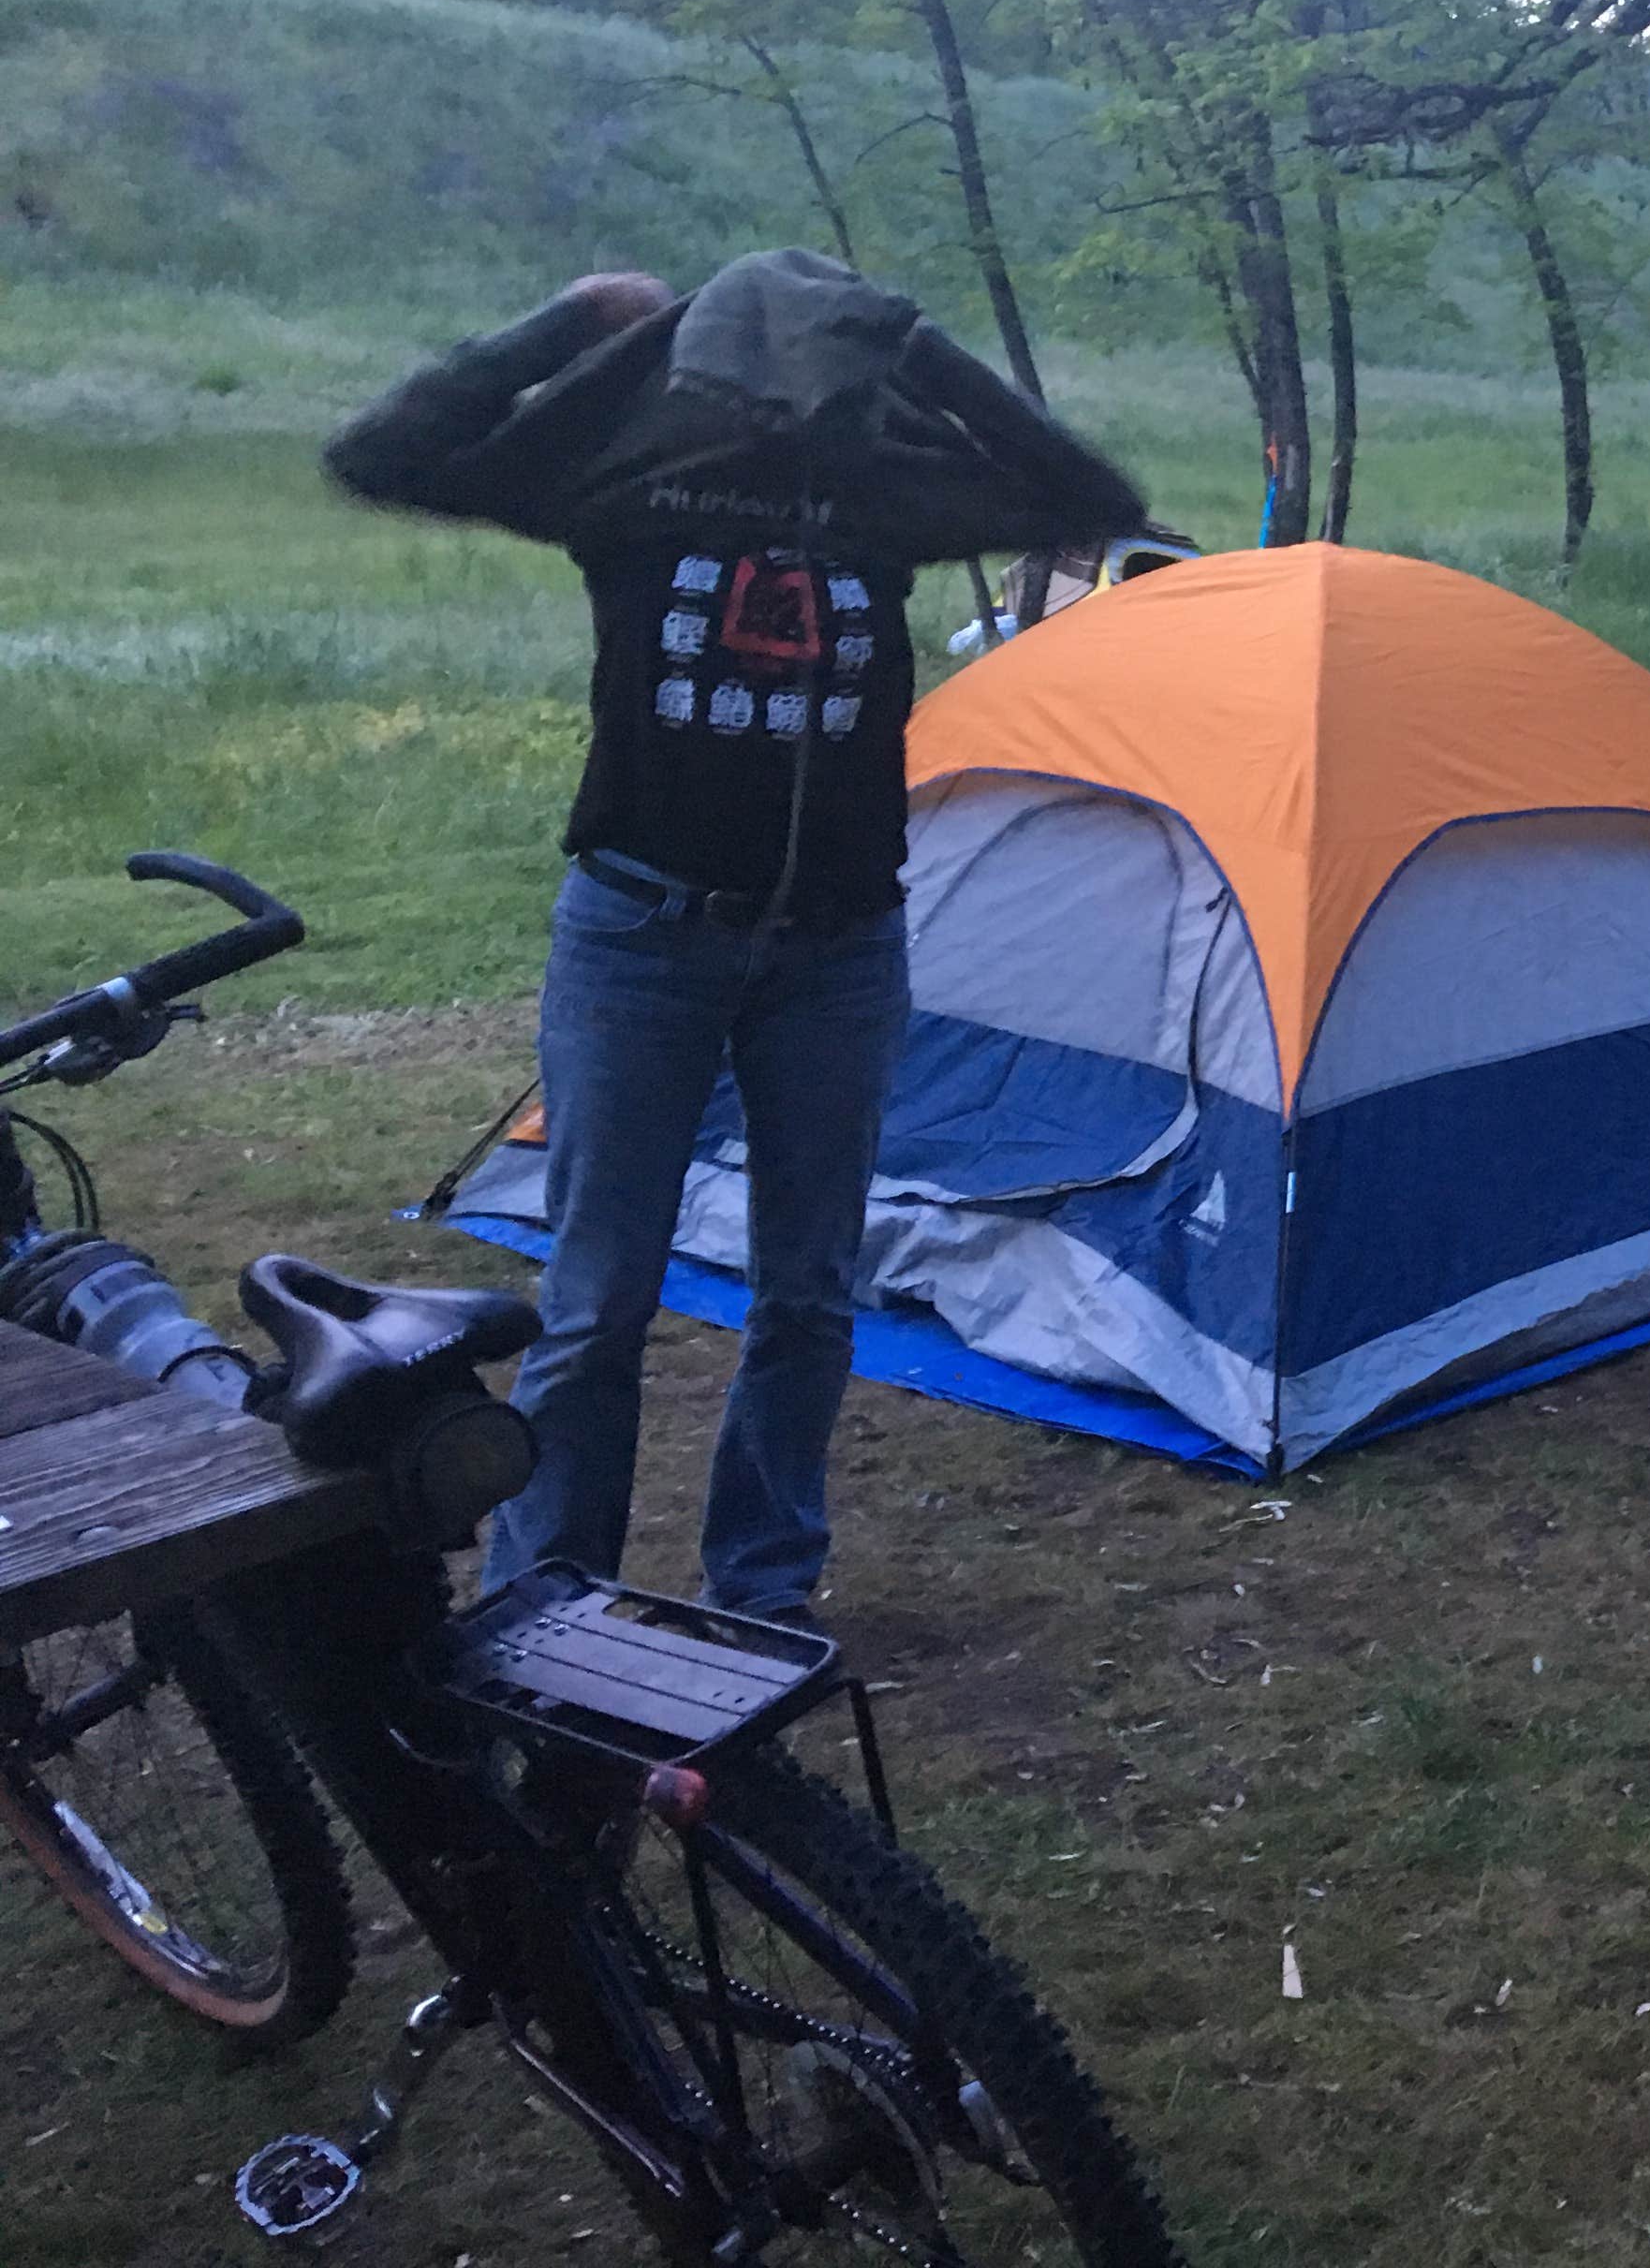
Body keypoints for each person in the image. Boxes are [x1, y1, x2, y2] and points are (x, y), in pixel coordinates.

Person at [327, 255, 1145, 1629]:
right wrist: (585, 326)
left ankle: (762, 1590)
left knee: (810, 1297)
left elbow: (1095, 504)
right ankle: (552, 1596)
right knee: (597, 1306)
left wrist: (915, 351)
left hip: (836, 951)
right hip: (642, 933)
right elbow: (388, 453)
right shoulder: (628, 473)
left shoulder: (878, 487)